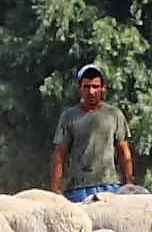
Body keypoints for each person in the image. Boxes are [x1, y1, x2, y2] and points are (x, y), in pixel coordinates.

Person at [51, 64, 141, 199]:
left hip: (109, 185)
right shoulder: (69, 117)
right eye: (86, 87)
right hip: (77, 188)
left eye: (95, 87)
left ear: (102, 88)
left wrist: (128, 183)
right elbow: (60, 154)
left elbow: (123, 151)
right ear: (79, 88)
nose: (91, 91)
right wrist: (55, 190)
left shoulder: (114, 114)